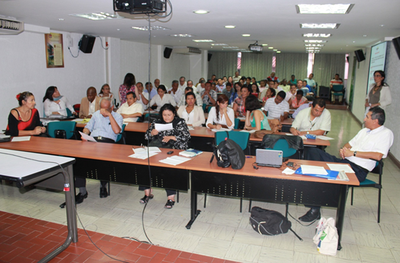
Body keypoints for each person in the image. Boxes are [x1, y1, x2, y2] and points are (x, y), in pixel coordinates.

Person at [299, 107, 393, 222]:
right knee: (312, 151)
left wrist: (353, 153)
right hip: (346, 163)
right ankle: (311, 196)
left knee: (326, 175)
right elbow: (349, 143)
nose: (364, 119)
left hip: (358, 170)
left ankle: (315, 209)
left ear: (375, 120)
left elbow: (378, 156)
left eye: (367, 117)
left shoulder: (386, 134)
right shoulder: (364, 131)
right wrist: (344, 149)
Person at [143, 104, 191, 208]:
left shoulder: (179, 122)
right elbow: (146, 136)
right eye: (164, 115)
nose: (167, 117)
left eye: (169, 114)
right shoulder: (157, 122)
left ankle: (170, 197)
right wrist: (152, 133)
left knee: (168, 170)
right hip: (158, 150)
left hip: (174, 151)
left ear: (174, 113)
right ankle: (147, 193)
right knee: (144, 164)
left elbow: (186, 136)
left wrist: (172, 137)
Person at [81, 97, 123, 198]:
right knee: (80, 159)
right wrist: (84, 133)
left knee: (103, 160)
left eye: (106, 109)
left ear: (112, 107)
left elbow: (117, 131)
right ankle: (82, 191)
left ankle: (103, 185)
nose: (103, 111)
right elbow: (87, 127)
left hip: (107, 142)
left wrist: (109, 115)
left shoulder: (117, 116)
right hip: (93, 140)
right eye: (102, 109)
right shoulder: (96, 114)